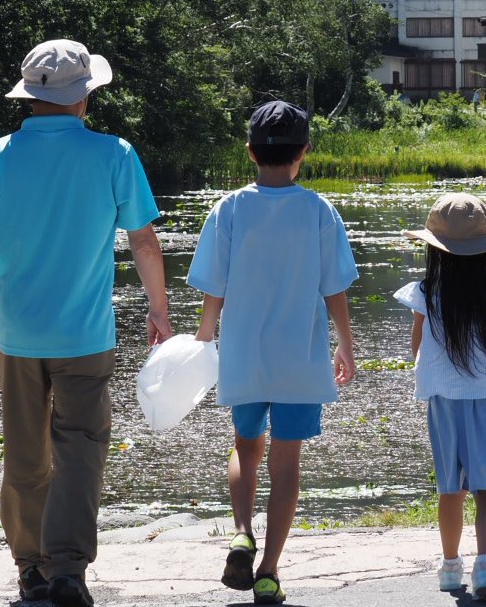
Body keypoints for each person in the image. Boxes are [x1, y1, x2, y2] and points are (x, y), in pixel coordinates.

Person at [0, 39, 171, 607]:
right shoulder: (115, 154)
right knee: (81, 450)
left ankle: (31, 571)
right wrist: (159, 311)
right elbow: (143, 241)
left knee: (24, 453)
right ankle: (68, 570)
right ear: (84, 96)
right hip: (85, 336)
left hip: (17, 335)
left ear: (30, 96)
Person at [188, 100, 358, 605]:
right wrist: (345, 343)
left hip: (245, 355)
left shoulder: (229, 209)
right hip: (300, 359)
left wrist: (204, 338)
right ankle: (268, 572)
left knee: (246, 447)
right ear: (304, 151)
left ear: (250, 151)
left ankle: (242, 532)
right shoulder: (319, 211)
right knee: (287, 463)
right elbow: (334, 288)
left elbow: (214, 286)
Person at [394, 193, 486, 604]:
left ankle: (451, 565)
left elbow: (417, 347)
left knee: (450, 488)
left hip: (444, 401)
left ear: (435, 250)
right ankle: (485, 564)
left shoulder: (426, 292)